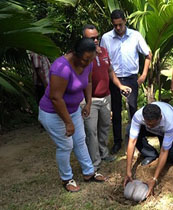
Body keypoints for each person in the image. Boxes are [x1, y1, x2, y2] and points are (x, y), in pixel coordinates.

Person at [38, 38, 107, 193]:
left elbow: (88, 82)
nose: (87, 63)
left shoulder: (87, 63)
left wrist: (88, 102)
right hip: (52, 113)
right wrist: (68, 123)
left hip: (73, 110)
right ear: (75, 54)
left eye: (90, 59)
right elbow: (56, 98)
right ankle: (66, 178)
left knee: (80, 140)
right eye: (85, 59)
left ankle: (89, 172)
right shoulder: (61, 68)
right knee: (66, 145)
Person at [100, 9, 152, 155]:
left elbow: (148, 54)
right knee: (116, 112)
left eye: (120, 25)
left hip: (131, 78)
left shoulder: (135, 36)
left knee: (133, 110)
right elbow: (103, 60)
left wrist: (144, 74)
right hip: (114, 79)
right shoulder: (106, 38)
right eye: (115, 25)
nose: (118, 28)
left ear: (125, 21)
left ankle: (135, 140)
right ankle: (117, 142)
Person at [82, 24, 131, 171]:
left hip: (106, 97)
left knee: (104, 128)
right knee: (91, 131)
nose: (96, 40)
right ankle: (95, 162)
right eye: (92, 38)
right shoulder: (83, 56)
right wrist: (87, 102)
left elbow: (110, 71)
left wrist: (120, 86)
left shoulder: (103, 51)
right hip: (91, 100)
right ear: (84, 39)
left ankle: (104, 153)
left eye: (97, 37)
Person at [124, 102, 173, 196]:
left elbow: (164, 151)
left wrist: (154, 179)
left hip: (167, 129)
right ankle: (150, 154)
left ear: (160, 118)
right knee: (129, 130)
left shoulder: (170, 121)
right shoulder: (139, 115)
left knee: (170, 153)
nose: (149, 126)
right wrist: (128, 171)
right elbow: (132, 142)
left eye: (152, 124)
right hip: (156, 126)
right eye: (147, 123)